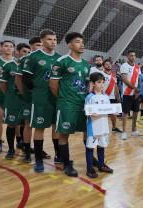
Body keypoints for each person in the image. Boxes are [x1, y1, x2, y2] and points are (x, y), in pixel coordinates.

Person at [49, 32, 89, 176]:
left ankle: (92, 159)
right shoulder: (62, 61)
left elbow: (86, 84)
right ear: (70, 45)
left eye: (82, 42)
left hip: (83, 104)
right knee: (64, 134)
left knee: (87, 133)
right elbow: (53, 84)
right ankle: (66, 164)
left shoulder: (85, 64)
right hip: (66, 104)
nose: (82, 44)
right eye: (78, 42)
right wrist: (62, 98)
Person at [22, 29, 60, 172]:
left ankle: (59, 155)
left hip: (55, 97)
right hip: (40, 98)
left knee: (56, 126)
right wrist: (36, 90)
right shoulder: (33, 57)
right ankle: (38, 159)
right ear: (42, 41)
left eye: (55, 40)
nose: (53, 42)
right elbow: (26, 78)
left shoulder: (59, 58)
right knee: (39, 127)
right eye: (50, 39)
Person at [0, 43, 30, 159]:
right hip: (12, 101)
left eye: (28, 52)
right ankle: (11, 149)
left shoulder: (29, 65)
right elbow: (2, 83)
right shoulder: (8, 66)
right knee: (11, 124)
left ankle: (24, 146)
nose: (26, 54)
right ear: (17, 52)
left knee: (24, 124)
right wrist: (9, 96)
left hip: (25, 100)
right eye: (24, 51)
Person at [15, 36, 43, 163]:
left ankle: (39, 150)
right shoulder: (26, 60)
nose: (40, 47)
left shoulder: (48, 59)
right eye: (38, 45)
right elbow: (18, 80)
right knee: (28, 124)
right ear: (31, 46)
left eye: (41, 45)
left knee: (40, 125)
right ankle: (26, 151)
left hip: (43, 98)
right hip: (29, 98)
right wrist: (26, 94)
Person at [84, 72, 114, 178]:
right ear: (92, 83)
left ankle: (101, 165)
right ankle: (89, 169)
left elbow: (108, 109)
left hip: (104, 126)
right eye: (99, 82)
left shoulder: (106, 97)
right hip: (93, 127)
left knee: (101, 146)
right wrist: (90, 113)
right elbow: (86, 111)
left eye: (103, 82)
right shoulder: (90, 97)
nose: (101, 85)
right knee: (90, 147)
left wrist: (113, 111)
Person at [120, 50, 143, 140]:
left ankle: (134, 130)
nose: (133, 57)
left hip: (135, 93)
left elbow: (139, 79)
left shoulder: (137, 67)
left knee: (136, 111)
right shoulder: (124, 66)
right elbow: (125, 80)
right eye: (131, 55)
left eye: (134, 55)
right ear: (127, 56)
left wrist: (137, 91)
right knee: (125, 113)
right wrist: (135, 88)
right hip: (127, 93)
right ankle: (124, 132)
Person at [101, 59, 122, 132]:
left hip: (112, 97)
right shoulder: (101, 75)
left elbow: (115, 87)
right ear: (103, 66)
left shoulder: (114, 76)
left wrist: (118, 96)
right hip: (103, 97)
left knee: (114, 113)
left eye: (109, 64)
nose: (109, 65)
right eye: (106, 64)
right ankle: (102, 128)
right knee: (103, 114)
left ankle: (114, 127)